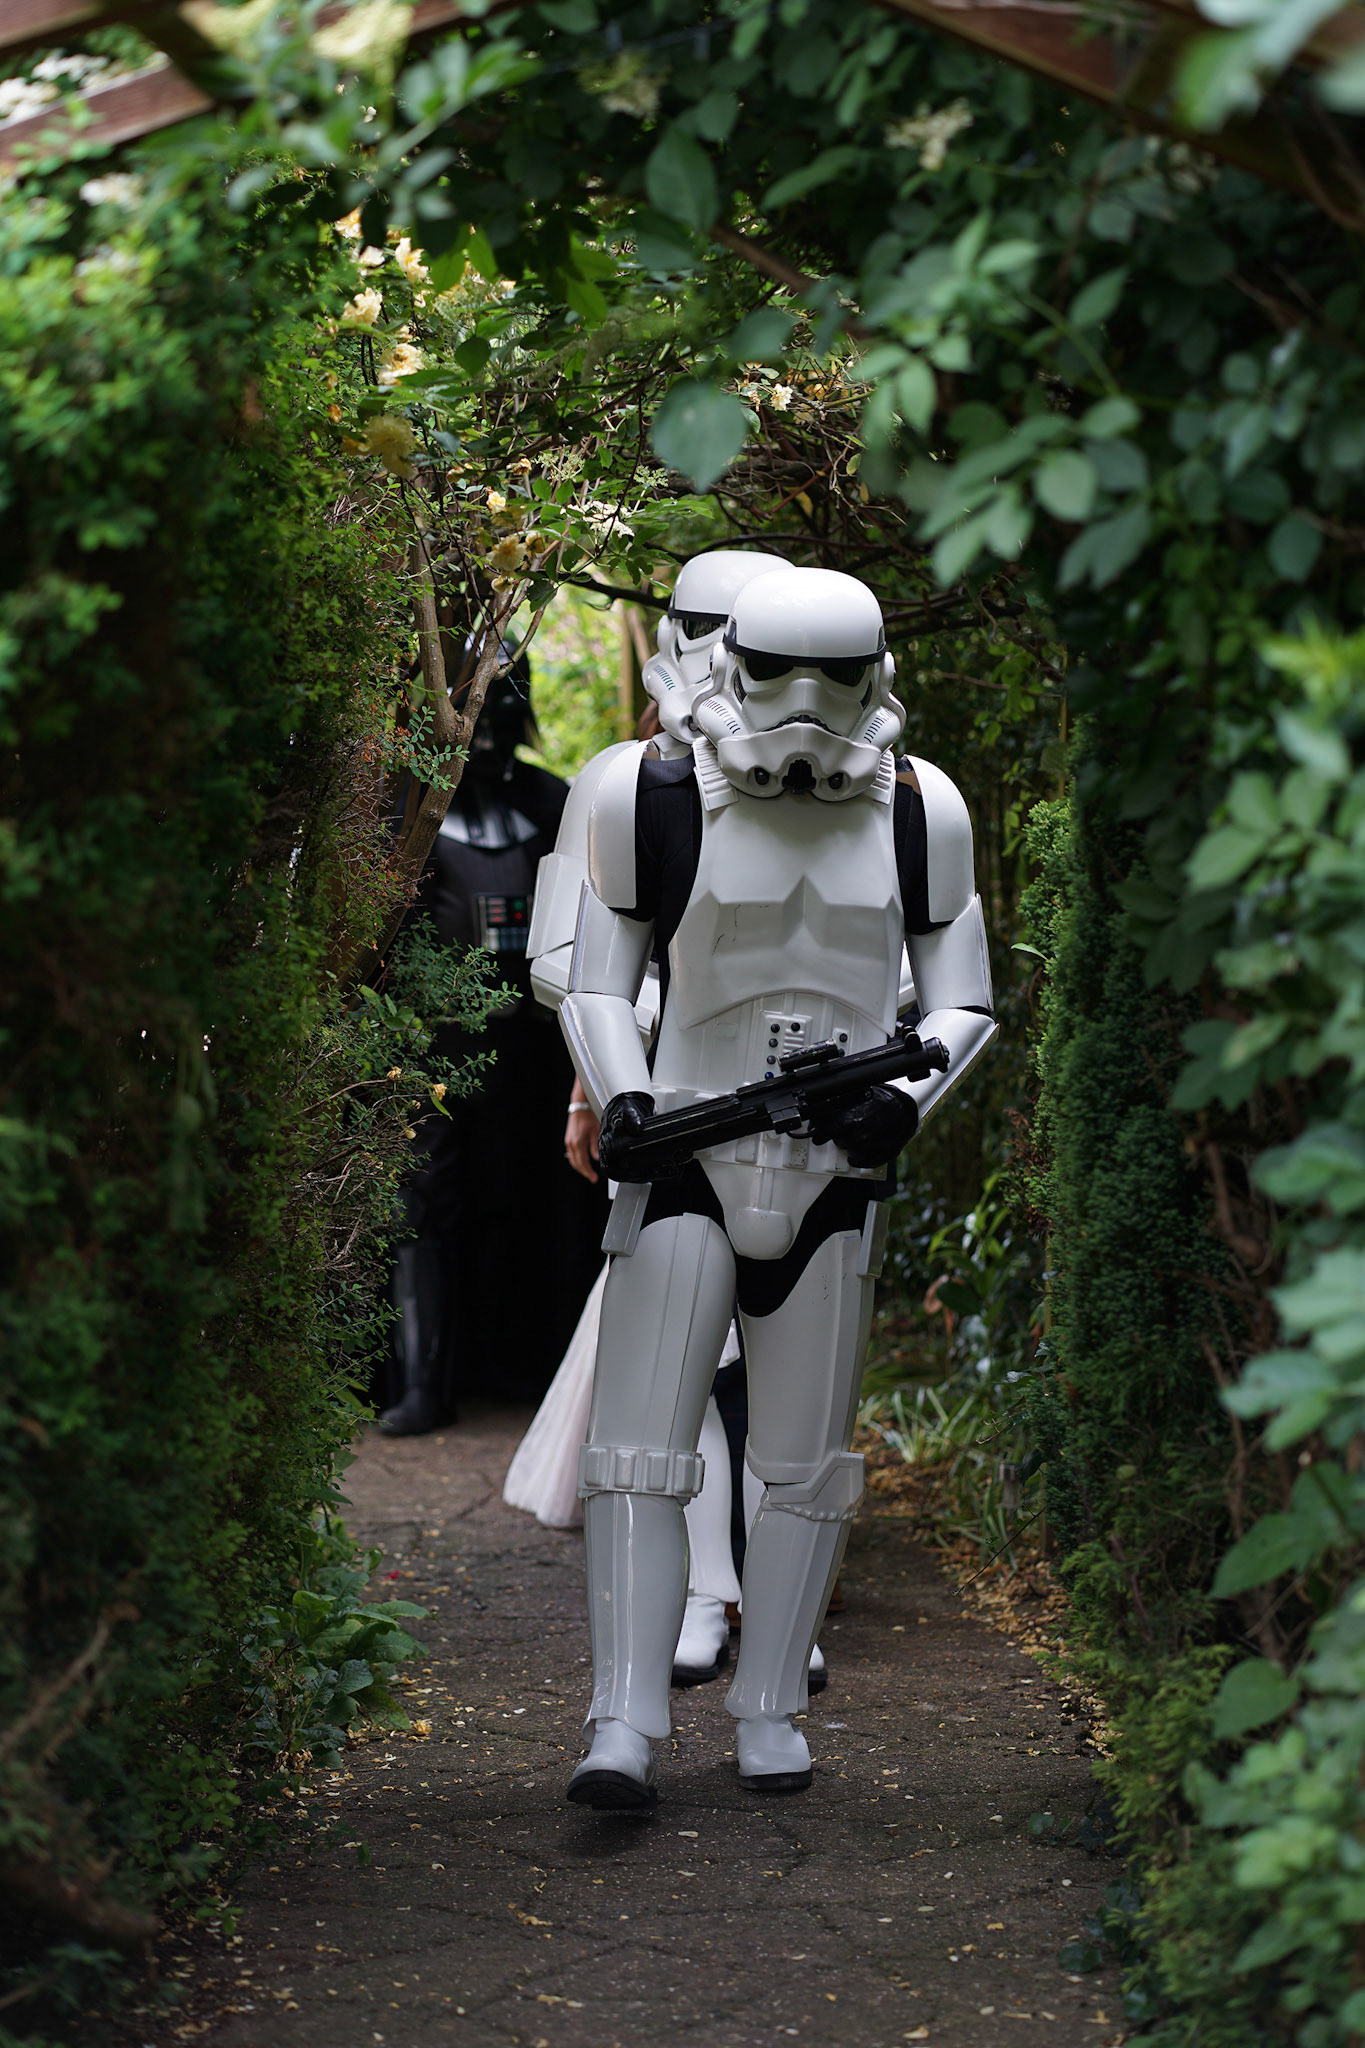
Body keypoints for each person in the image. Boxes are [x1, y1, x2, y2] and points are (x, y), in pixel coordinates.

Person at [539, 565, 997, 1809]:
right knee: (637, 1454)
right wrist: (625, 1094)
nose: (802, 702)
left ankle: (772, 1703)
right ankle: (623, 1716)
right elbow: (594, 976)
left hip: (833, 1174)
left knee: (805, 1464)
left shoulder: (921, 808)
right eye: (774, 670)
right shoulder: (648, 792)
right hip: (688, 1148)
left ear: (876, 676)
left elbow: (963, 999)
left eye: (831, 676)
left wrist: (901, 1101)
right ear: (730, 662)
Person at [379, 649, 607, 1435]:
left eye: (510, 699)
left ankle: (529, 1365)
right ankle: (421, 1381)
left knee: (535, 1197)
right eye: (484, 700)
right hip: (431, 1044)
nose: (495, 721)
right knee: (423, 1201)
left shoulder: (553, 800)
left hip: (537, 1046)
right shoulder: (409, 802)